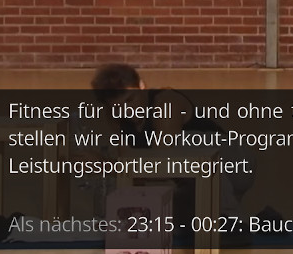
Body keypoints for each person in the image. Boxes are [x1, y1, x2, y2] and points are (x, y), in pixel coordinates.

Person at [89, 64, 255, 219]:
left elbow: (162, 166)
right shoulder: (114, 117)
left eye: (130, 100)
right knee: (170, 218)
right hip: (189, 174)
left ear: (141, 85)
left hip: (234, 162)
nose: (127, 111)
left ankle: (228, 218)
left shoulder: (165, 103)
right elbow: (130, 169)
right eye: (117, 108)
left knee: (184, 142)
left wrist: (106, 165)